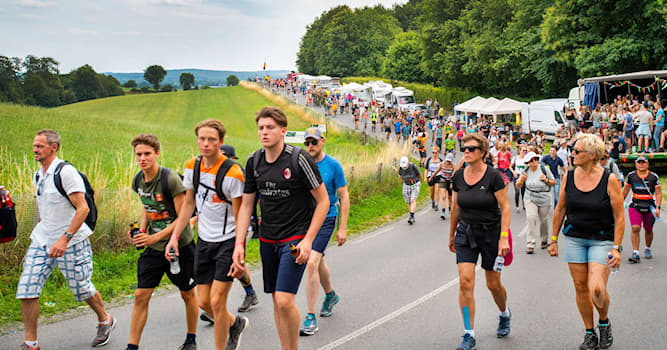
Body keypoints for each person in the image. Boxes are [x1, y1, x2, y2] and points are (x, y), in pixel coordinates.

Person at [232, 106, 329, 350]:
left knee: (285, 301)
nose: (264, 132)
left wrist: (308, 240)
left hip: (295, 239)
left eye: (270, 128)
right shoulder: (254, 161)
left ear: (283, 131)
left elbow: (323, 201)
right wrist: (239, 243)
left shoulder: (298, 159)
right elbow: (246, 205)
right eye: (261, 128)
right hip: (268, 238)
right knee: (277, 300)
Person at [17, 130, 115, 350]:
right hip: (42, 240)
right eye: (34, 146)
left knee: (82, 288)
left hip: (72, 241)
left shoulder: (66, 172)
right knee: (27, 288)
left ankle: (105, 319)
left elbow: (83, 209)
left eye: (40, 146)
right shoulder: (38, 174)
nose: (35, 149)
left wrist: (64, 239)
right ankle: (31, 342)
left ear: (54, 147)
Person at [165, 119, 249, 350]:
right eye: (202, 139)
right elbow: (189, 202)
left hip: (228, 241)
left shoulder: (233, 173)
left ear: (221, 142)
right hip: (204, 240)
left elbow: (241, 213)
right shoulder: (192, 166)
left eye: (211, 139)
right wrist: (174, 236)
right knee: (204, 303)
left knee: (217, 301)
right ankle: (235, 323)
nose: (205, 144)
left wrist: (239, 248)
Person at [548, 134, 625, 350]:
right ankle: (589, 331)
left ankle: (604, 321)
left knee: (597, 289)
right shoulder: (569, 177)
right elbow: (561, 208)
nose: (572, 154)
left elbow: (620, 216)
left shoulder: (608, 178)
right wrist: (553, 240)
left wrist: (617, 248)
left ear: (592, 155)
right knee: (581, 287)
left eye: (576, 151)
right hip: (575, 238)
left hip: (602, 239)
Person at [127, 134, 199, 350]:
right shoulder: (138, 179)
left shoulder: (170, 179)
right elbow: (146, 205)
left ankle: (191, 339)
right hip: (154, 247)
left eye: (147, 154)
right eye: (138, 154)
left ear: (157, 153)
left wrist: (155, 237)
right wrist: (142, 230)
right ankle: (132, 346)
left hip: (180, 245)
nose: (142, 158)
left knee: (187, 293)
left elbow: (182, 218)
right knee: (141, 295)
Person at [448, 133, 512, 350]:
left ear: (483, 153)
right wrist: (451, 234)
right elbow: (456, 207)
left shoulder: (493, 176)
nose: (466, 151)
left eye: (471, 148)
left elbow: (505, 207)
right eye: (463, 147)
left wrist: (504, 237)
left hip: (491, 233)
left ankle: (504, 313)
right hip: (466, 232)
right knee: (465, 281)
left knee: (493, 284)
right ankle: (469, 333)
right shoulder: (458, 176)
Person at [299, 127, 350, 336]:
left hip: (327, 216)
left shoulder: (333, 165)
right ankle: (330, 295)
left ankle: (310, 317)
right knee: (317, 261)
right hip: (306, 220)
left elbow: (344, 196)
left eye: (314, 142)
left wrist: (343, 227)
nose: (310, 146)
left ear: (323, 141)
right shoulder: (301, 164)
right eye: (307, 143)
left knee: (311, 261)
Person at [622, 156, 661, 264]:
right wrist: (620, 204)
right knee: (635, 228)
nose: (641, 165)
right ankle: (635, 252)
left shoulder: (653, 177)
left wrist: (657, 207)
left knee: (648, 229)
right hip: (635, 205)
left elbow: (658, 193)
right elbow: (625, 191)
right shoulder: (631, 176)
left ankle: (647, 248)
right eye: (639, 163)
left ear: (647, 164)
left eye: (643, 163)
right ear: (636, 164)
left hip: (649, 206)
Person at [516, 151, 555, 253]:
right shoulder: (526, 171)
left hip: (544, 197)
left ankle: (544, 240)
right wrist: (521, 180)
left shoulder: (544, 169)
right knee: (531, 217)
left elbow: (553, 182)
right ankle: (530, 244)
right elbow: (518, 186)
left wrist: (546, 180)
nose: (534, 162)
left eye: (536, 159)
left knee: (544, 220)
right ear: (528, 162)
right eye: (531, 160)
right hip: (530, 196)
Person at [430, 153, 456, 220]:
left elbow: (455, 175)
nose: (448, 162)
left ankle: (450, 211)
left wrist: (452, 183)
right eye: (447, 160)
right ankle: (443, 212)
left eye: (449, 161)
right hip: (443, 180)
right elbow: (437, 171)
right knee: (443, 196)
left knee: (450, 198)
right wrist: (431, 177)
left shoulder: (454, 166)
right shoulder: (442, 164)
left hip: (450, 181)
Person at [398, 156, 422, 225]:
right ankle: (411, 215)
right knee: (408, 201)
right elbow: (401, 177)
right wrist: (404, 182)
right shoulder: (400, 169)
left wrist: (420, 183)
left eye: (405, 166)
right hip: (406, 185)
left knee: (412, 200)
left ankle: (411, 216)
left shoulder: (413, 167)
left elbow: (420, 174)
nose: (404, 168)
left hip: (415, 184)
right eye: (403, 167)